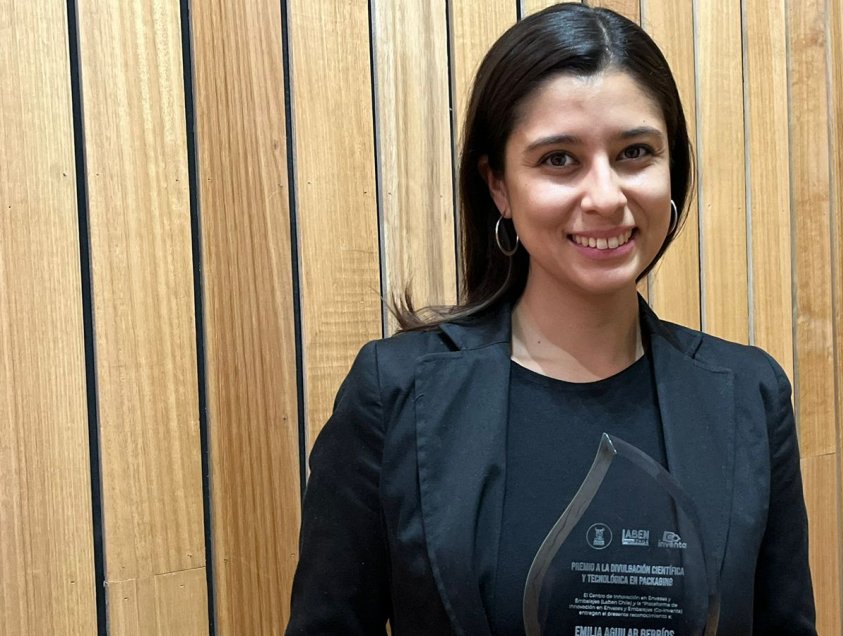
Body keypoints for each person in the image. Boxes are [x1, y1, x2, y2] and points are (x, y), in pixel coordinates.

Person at [285, 3, 815, 634]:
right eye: (559, 159)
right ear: (499, 186)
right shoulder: (394, 393)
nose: (606, 197)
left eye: (635, 152)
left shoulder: (751, 395)